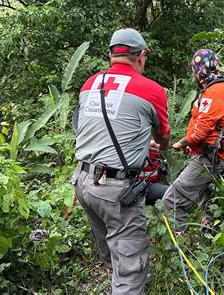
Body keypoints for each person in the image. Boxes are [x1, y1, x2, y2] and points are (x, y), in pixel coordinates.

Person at [72, 28, 170, 294]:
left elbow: (87, 128)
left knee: (112, 256)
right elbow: (163, 136)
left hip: (82, 183)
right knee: (130, 268)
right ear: (140, 57)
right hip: (115, 189)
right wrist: (159, 146)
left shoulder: (89, 84)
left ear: (111, 55)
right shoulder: (151, 90)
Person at [162, 49, 224, 235]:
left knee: (173, 199)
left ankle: (177, 248)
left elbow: (200, 132)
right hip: (214, 155)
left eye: (194, 70)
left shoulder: (215, 92)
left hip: (209, 158)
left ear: (199, 71)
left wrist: (182, 143)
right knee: (209, 203)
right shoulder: (219, 88)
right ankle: (209, 243)